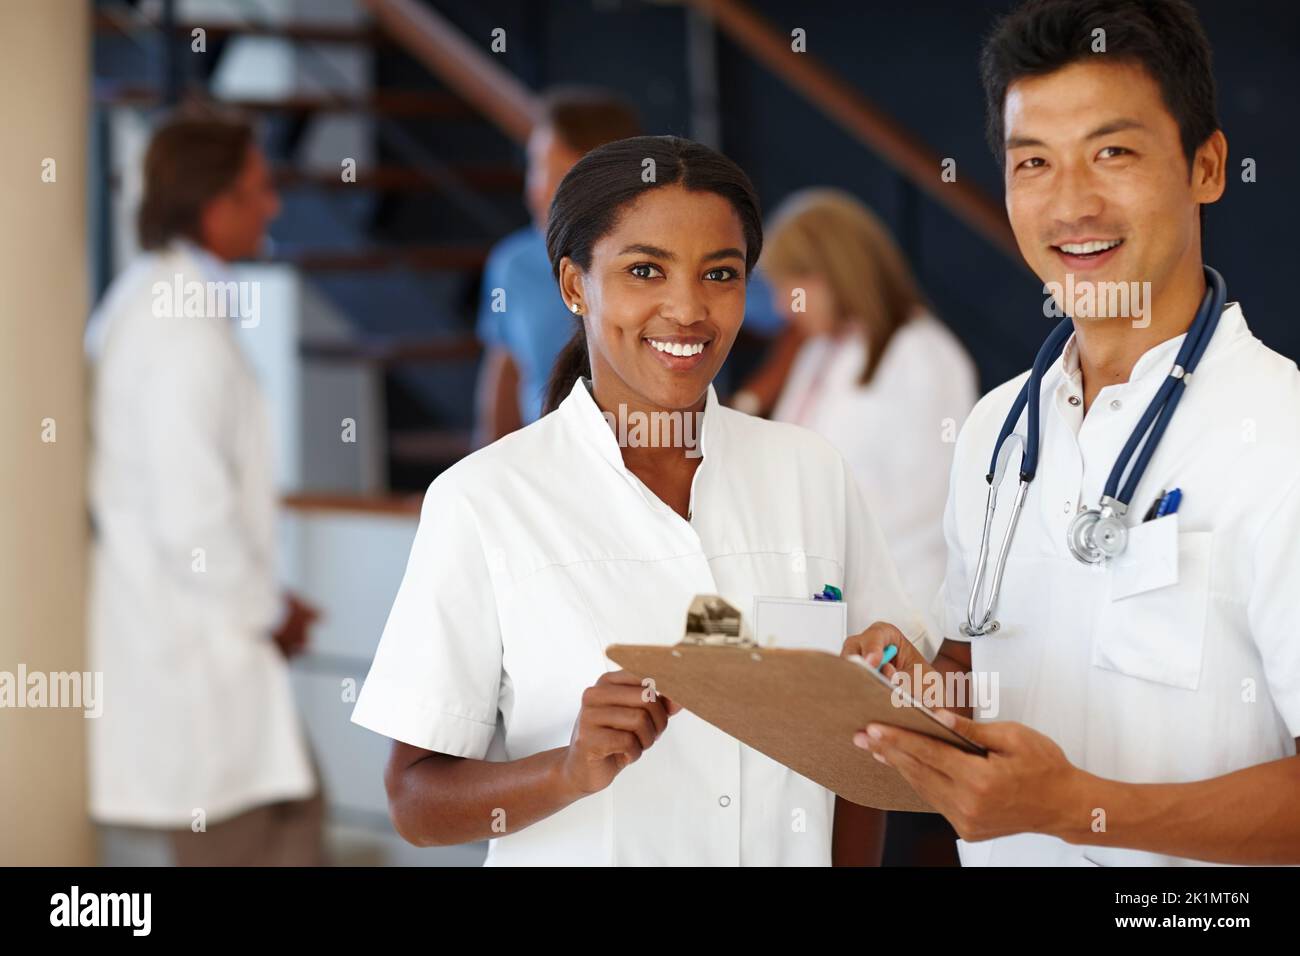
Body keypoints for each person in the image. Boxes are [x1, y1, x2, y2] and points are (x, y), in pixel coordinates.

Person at [352, 135, 930, 865]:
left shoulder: (810, 471)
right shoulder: (484, 500)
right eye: (644, 270)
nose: (687, 309)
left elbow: (865, 749)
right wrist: (563, 772)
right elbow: (414, 800)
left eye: (720, 273)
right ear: (573, 284)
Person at [848, 0, 1300, 866]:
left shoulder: (1279, 435)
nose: (1071, 205)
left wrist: (1079, 808)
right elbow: (971, 662)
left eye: (1113, 153)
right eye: (1033, 164)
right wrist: (905, 683)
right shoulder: (994, 431)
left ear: (1207, 166)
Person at [85, 110, 324, 866]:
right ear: (216, 204)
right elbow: (192, 523)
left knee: (291, 825)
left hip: (205, 642)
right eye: (261, 190)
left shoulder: (162, 302)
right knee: (265, 838)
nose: (274, 207)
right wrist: (268, 611)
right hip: (199, 651)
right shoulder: (176, 330)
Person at [764, 188, 978, 609]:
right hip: (821, 593)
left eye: (790, 286)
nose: (783, 306)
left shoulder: (922, 355)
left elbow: (932, 504)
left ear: (832, 272)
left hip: (900, 598)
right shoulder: (821, 351)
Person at [473, 87, 641, 444]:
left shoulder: (670, 247)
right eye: (536, 169)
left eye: (557, 174)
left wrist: (748, 402)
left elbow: (787, 304)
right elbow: (507, 366)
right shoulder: (513, 264)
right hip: (547, 466)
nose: (536, 191)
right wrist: (486, 469)